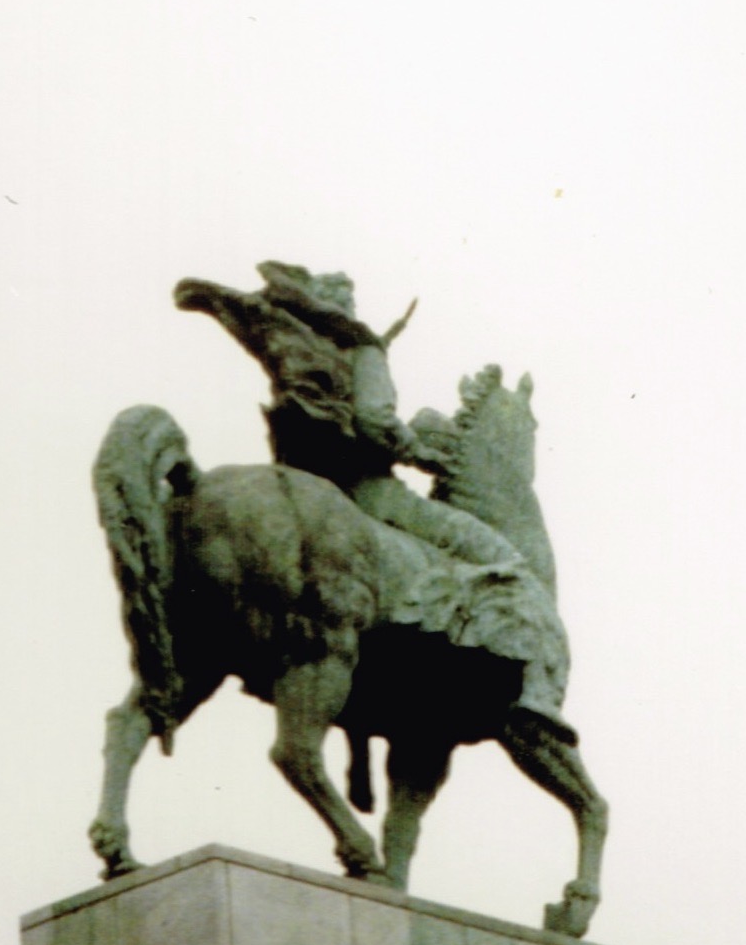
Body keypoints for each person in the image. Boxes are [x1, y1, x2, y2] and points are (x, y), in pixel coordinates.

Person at [175, 263, 569, 726]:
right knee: (504, 561)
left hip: (313, 485)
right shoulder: (362, 349)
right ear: (343, 305)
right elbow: (374, 422)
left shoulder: (308, 345)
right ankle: (536, 692)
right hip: (372, 495)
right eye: (348, 299)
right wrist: (415, 449)